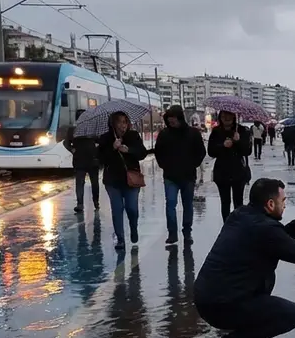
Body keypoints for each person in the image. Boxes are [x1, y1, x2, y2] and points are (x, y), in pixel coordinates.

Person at [194, 178, 295, 338]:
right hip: (222, 305)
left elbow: (278, 240)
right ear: (270, 204)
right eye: (283, 201)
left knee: (263, 285)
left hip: (208, 298)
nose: (285, 205)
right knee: (292, 313)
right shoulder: (264, 228)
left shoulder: (241, 214)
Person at [155, 105, 207, 246]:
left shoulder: (193, 133)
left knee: (187, 205)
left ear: (180, 119)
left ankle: (187, 232)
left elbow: (201, 152)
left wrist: (193, 164)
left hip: (188, 176)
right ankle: (172, 233)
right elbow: (158, 152)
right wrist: (164, 165)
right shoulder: (164, 134)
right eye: (169, 121)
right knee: (170, 204)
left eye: (174, 120)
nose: (171, 123)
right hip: (170, 176)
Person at [97, 110, 148, 250]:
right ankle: (120, 238)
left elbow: (142, 153)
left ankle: (134, 228)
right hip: (112, 181)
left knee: (132, 208)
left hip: (131, 179)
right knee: (117, 209)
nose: (123, 125)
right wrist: (112, 148)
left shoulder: (133, 136)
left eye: (125, 122)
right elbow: (100, 159)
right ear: (113, 123)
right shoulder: (106, 138)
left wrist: (129, 150)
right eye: (119, 122)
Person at [208, 110, 253, 220]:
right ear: (220, 117)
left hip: (238, 171)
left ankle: (238, 228)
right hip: (222, 172)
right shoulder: (216, 131)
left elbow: (247, 151)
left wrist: (238, 141)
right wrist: (222, 146)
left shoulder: (242, 130)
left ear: (234, 117)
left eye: (229, 116)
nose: (226, 118)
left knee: (238, 202)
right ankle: (227, 227)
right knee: (225, 202)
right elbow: (211, 151)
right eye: (223, 116)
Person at [63, 125, 100, 213]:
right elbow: (66, 143)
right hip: (84, 160)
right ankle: (83, 204)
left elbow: (100, 141)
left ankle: (92, 202)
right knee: (84, 183)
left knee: (88, 183)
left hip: (89, 160)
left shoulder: (90, 128)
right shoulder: (75, 129)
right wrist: (71, 149)